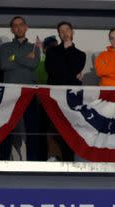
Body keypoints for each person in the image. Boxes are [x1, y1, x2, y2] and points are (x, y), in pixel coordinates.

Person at [0, 16, 42, 161]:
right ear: (11, 29)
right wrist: (24, 59)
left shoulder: (34, 47)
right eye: (15, 25)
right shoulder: (4, 47)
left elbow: (33, 64)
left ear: (26, 27)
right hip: (10, 93)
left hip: (29, 92)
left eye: (21, 24)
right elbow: (4, 65)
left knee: (32, 128)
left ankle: (34, 160)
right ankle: (5, 159)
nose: (18, 27)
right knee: (7, 127)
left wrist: (14, 58)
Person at [44, 21, 86, 162]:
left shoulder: (80, 54)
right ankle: (54, 156)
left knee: (72, 127)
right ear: (59, 34)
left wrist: (69, 50)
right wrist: (70, 74)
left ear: (72, 32)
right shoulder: (52, 51)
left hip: (73, 97)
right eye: (61, 31)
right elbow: (53, 71)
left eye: (67, 29)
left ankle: (71, 157)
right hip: (55, 95)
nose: (64, 33)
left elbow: (75, 67)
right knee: (54, 125)